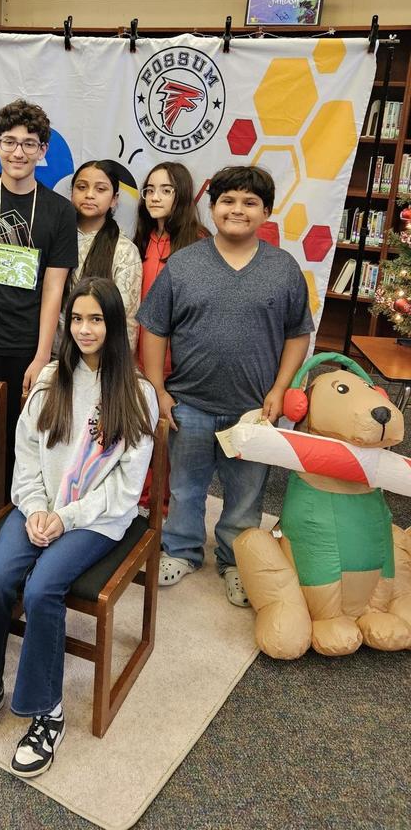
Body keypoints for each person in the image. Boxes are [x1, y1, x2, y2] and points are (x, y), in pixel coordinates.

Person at [0, 277, 157, 777]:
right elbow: (26, 458)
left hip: (97, 519)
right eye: (77, 319)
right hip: (40, 506)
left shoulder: (137, 394)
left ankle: (48, 712)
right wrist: (38, 507)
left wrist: (64, 518)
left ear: (114, 325)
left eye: (96, 319)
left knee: (43, 589)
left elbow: (125, 493)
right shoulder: (48, 381)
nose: (85, 329)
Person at [137, 165, 313, 607]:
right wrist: (158, 389)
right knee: (186, 487)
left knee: (247, 493)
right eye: (228, 201)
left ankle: (237, 560)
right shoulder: (184, 263)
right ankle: (181, 549)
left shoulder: (283, 268)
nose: (238, 210)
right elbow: (154, 330)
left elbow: (298, 333)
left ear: (267, 212)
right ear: (212, 208)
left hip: (254, 410)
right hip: (189, 402)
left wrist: (279, 388)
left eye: (250, 202)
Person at [0, 99, 78, 486]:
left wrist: (42, 355)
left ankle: (4, 520)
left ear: (43, 151)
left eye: (29, 143)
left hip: (26, 344)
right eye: (9, 141)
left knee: (17, 442)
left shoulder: (59, 210)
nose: (18, 152)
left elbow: (54, 288)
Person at [134, 161, 207, 510]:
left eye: (165, 190)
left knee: (168, 443)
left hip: (177, 365)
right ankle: (141, 505)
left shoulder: (199, 244)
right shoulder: (140, 240)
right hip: (138, 357)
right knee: (138, 436)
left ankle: (162, 517)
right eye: (149, 190)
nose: (154, 197)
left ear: (182, 195)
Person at [57, 160, 141, 351]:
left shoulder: (124, 251)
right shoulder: (55, 237)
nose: (89, 195)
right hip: (52, 355)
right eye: (81, 187)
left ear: (114, 199)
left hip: (100, 360)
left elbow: (126, 320)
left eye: (100, 189)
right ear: (71, 193)